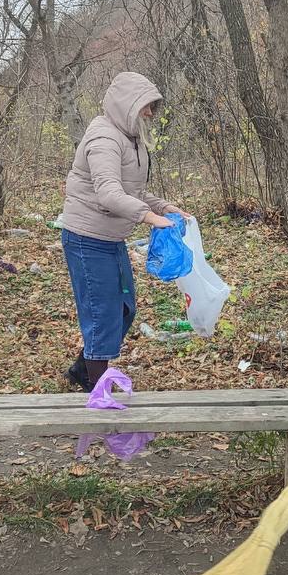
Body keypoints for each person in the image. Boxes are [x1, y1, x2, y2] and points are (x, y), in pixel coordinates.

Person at [60, 72, 190, 391]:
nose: (149, 113)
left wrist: (164, 208)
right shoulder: (104, 137)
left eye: (152, 107)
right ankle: (97, 388)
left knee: (124, 309)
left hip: (111, 238)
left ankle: (82, 369)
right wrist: (148, 218)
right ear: (126, 105)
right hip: (87, 238)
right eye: (145, 106)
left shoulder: (131, 138)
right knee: (102, 313)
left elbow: (133, 190)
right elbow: (108, 192)